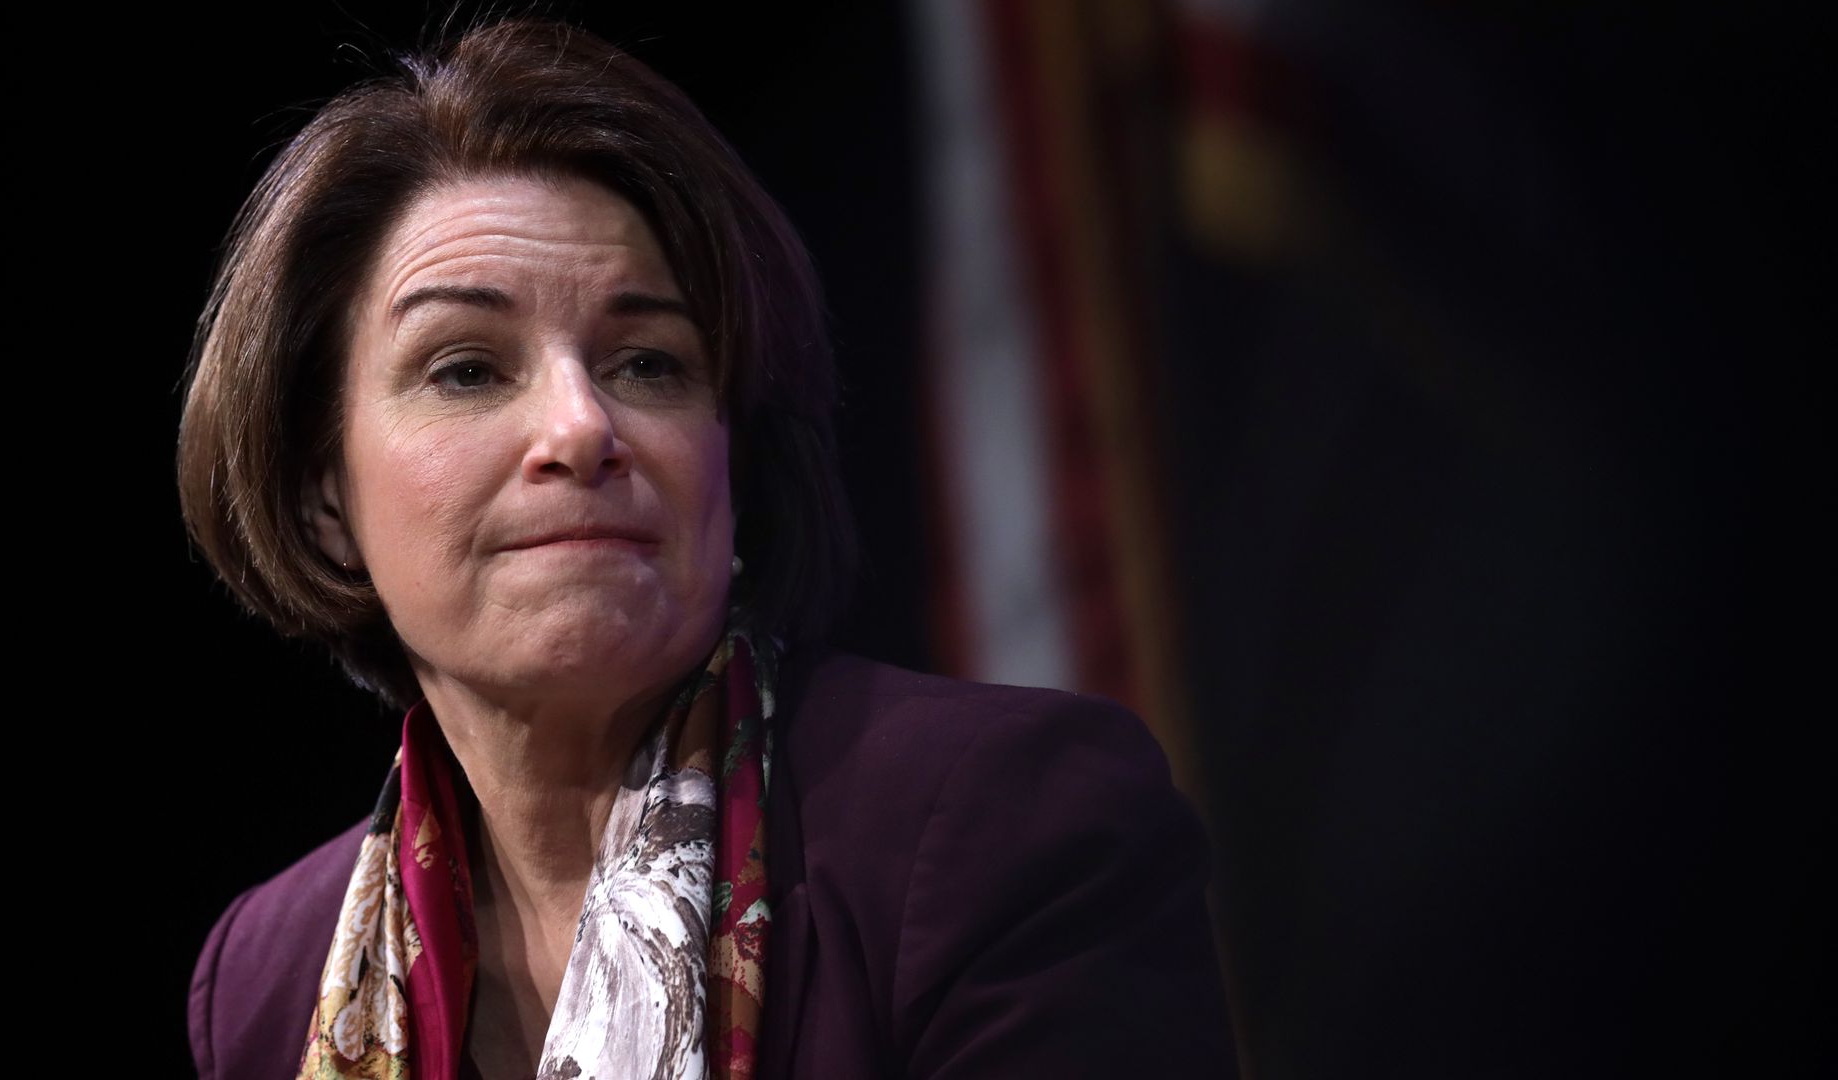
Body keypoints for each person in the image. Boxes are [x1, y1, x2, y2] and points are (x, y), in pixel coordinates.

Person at [180, 16, 1237, 1080]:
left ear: (734, 456)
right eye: (466, 369)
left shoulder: (1008, 827)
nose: (582, 427)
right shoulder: (270, 975)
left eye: (648, 363)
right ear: (326, 500)